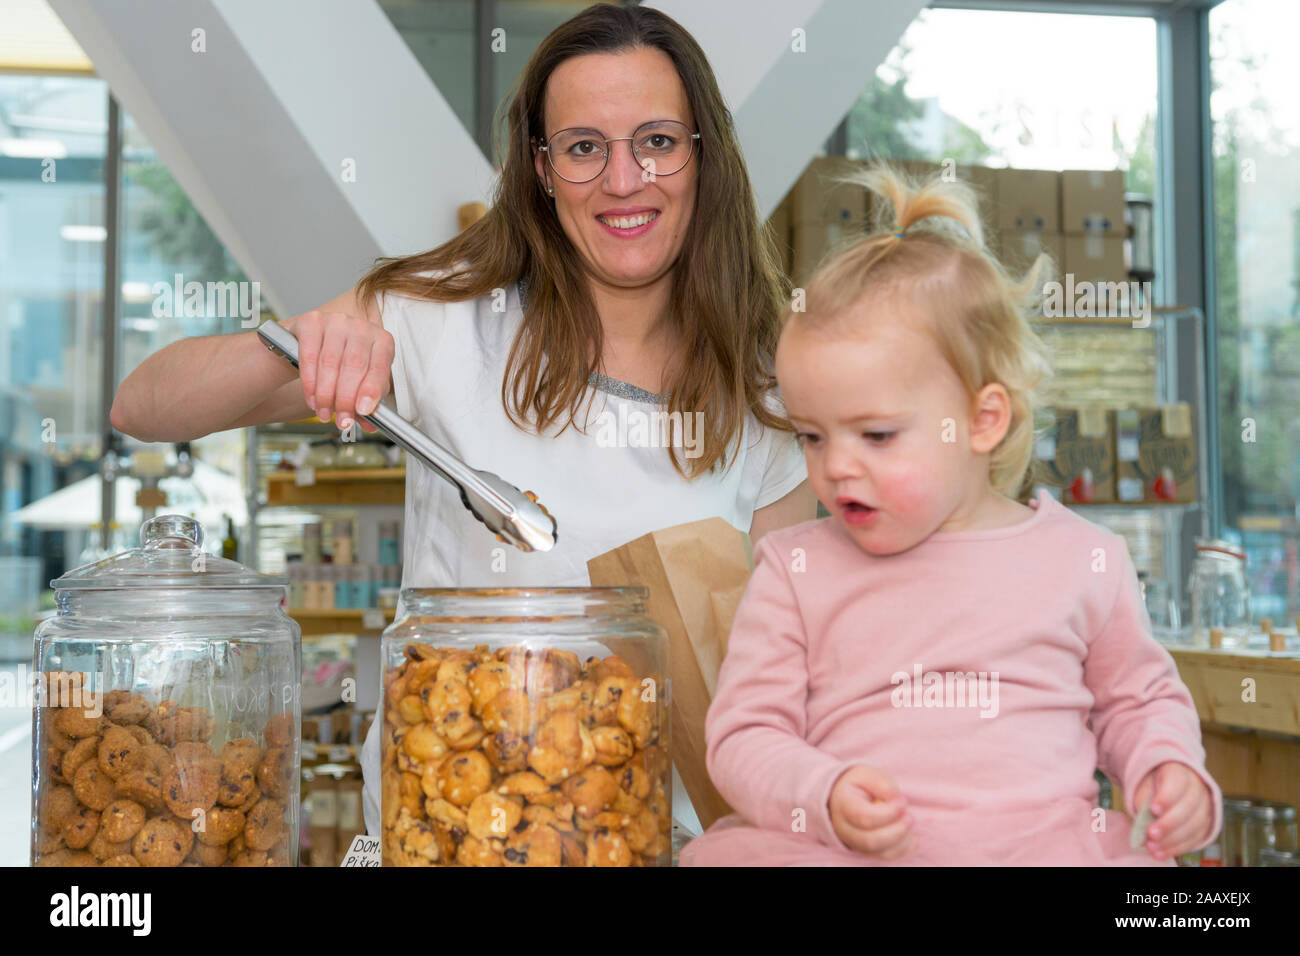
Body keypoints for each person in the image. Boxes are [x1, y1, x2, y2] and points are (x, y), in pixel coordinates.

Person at [109, 3, 816, 842]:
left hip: (651, 844)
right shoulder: (442, 319)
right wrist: (293, 343)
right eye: (584, 147)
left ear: (703, 157)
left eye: (657, 141)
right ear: (542, 169)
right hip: (435, 835)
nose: (624, 181)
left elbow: (788, 674)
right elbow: (143, 407)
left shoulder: (769, 390)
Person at [680, 165, 1222, 866]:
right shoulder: (796, 569)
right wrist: (823, 791)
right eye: (812, 436)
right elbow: (744, 737)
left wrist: (1170, 770)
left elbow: (1138, 703)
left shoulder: (1084, 559)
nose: (837, 465)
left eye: (875, 436)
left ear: (982, 419)